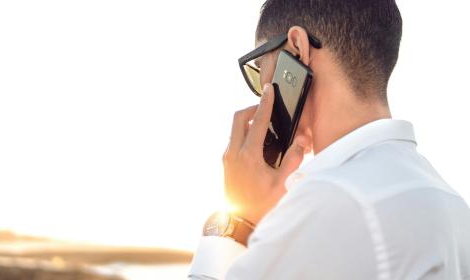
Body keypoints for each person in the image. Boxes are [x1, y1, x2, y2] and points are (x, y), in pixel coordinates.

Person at [188, 0, 470, 279]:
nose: (261, 89)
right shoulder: (452, 204)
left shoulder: (330, 203)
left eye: (260, 66)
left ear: (297, 50)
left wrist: (238, 222)